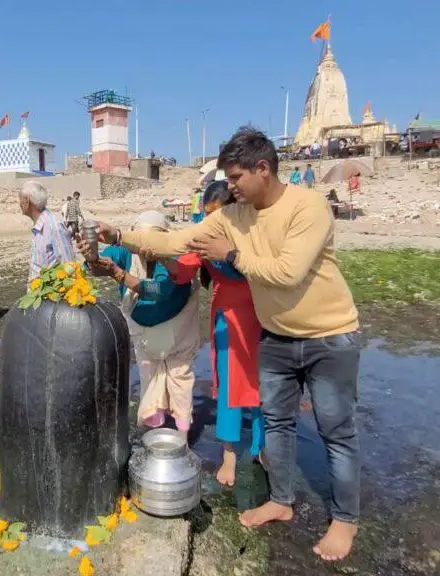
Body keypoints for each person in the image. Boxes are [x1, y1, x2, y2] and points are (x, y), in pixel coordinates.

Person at [93, 127, 361, 562]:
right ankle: (281, 500)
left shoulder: (307, 205)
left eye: (235, 177)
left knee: (337, 432)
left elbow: (287, 272)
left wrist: (231, 255)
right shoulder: (232, 215)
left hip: (329, 335)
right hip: (276, 335)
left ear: (263, 169)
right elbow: (175, 241)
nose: (229, 185)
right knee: (277, 423)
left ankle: (345, 520)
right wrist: (119, 235)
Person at [159, 181, 264, 486]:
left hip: (264, 313)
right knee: (231, 383)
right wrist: (162, 256)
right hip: (228, 318)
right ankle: (229, 455)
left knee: (264, 383)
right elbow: (181, 273)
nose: (212, 222)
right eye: (207, 215)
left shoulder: (253, 231)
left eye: (218, 215)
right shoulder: (202, 237)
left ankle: (261, 447)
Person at [84, 211, 199, 441]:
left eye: (153, 239)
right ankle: (154, 432)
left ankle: (181, 438)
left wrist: (118, 274)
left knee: (179, 381)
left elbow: (158, 291)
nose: (146, 246)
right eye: (141, 239)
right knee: (149, 379)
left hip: (177, 334)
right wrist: (91, 256)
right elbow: (98, 268)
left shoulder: (177, 258)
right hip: (143, 335)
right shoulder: (126, 250)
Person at [19, 181, 77, 280]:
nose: (19, 204)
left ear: (26, 200)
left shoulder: (54, 226)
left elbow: (69, 266)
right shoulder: (39, 226)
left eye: (20, 200)